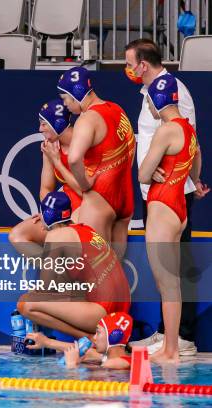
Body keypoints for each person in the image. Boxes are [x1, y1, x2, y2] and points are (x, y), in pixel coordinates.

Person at [125, 38, 208, 356]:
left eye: (130, 63)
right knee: (168, 275)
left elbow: (183, 137)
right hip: (161, 193)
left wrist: (171, 172)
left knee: (171, 274)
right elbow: (193, 146)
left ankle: (180, 338)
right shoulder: (153, 92)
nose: (128, 69)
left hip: (169, 194)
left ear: (143, 64)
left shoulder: (174, 92)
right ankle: (167, 335)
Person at [138, 74, 200, 364]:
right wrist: (193, 179)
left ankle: (171, 350)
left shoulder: (165, 130)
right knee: (172, 283)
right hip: (179, 209)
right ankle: (171, 347)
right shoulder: (187, 128)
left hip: (162, 206)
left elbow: (142, 173)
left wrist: (152, 170)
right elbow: (196, 159)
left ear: (156, 100)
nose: (147, 106)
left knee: (166, 284)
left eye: (148, 100)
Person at [17, 191, 131, 339]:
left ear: (46, 215)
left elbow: (46, 287)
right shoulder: (87, 229)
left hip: (103, 312)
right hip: (124, 307)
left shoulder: (56, 236)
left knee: (26, 303)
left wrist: (35, 291)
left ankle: (88, 338)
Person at [57, 67, 136, 259]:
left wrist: (85, 185)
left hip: (100, 198)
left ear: (76, 93)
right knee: (114, 268)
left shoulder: (87, 119)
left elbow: (74, 158)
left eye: (65, 98)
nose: (65, 104)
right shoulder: (117, 109)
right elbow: (131, 146)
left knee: (95, 272)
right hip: (125, 198)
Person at [10, 99, 82, 258]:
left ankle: (59, 276)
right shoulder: (50, 146)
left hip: (86, 208)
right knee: (17, 235)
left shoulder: (83, 143)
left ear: (57, 123)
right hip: (63, 208)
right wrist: (49, 213)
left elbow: (86, 191)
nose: (39, 129)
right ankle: (57, 273)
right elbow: (46, 188)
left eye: (44, 124)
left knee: (60, 240)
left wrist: (57, 161)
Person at [26, 312, 133, 370]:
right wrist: (46, 342)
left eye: (98, 332)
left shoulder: (112, 364)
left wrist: (72, 365)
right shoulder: (118, 359)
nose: (94, 337)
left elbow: (75, 390)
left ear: (114, 337)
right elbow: (88, 352)